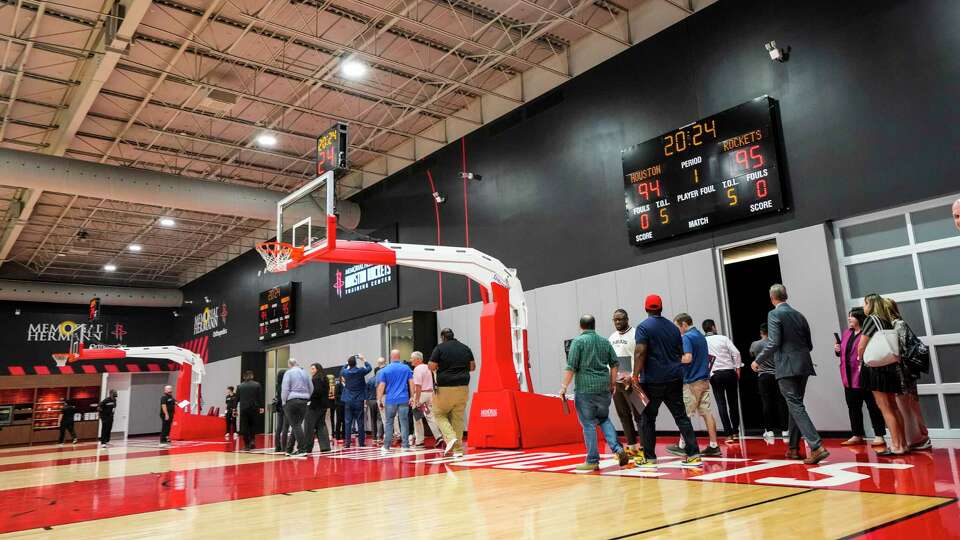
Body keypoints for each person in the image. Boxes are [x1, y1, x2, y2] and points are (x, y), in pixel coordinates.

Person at [755, 284, 829, 464]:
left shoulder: (774, 314)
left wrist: (758, 360)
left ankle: (816, 446)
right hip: (804, 364)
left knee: (795, 405)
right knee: (795, 405)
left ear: (772, 298)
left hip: (786, 367)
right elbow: (809, 345)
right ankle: (793, 448)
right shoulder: (799, 315)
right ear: (786, 295)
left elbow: (773, 342)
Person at [631, 295, 701, 468]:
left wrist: (634, 376)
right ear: (661, 308)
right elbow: (679, 352)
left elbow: (640, 352)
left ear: (646, 308)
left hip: (652, 381)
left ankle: (650, 458)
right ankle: (693, 455)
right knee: (681, 417)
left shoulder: (643, 327)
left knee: (648, 419)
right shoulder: (673, 327)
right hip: (674, 378)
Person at [561, 315, 629, 471]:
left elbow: (571, 367)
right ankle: (618, 449)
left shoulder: (577, 342)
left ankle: (592, 460)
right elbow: (614, 364)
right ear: (594, 325)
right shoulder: (605, 341)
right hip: (604, 388)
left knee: (588, 424)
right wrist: (612, 384)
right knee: (604, 419)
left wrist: (564, 386)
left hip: (585, 390)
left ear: (581, 326)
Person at [858, 293, 907, 456]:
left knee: (885, 408)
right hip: (890, 368)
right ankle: (903, 444)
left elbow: (861, 346)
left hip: (876, 369)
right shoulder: (886, 321)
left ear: (870, 304)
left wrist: (860, 359)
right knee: (894, 407)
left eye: (865, 304)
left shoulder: (871, 320)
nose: (864, 307)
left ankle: (896, 446)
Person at [668, 314, 721, 457]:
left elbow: (688, 358)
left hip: (691, 381)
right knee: (707, 413)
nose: (677, 330)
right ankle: (714, 445)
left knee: (684, 415)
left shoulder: (687, 337)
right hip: (704, 379)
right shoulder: (700, 336)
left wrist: (673, 358)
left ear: (684, 324)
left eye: (677, 327)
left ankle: (682, 445)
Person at [834, 307, 886, 447]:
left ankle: (879, 435)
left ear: (860, 318)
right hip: (848, 377)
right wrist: (837, 350)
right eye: (849, 316)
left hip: (864, 376)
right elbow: (845, 352)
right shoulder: (846, 333)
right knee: (853, 407)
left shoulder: (867, 333)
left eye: (852, 316)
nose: (849, 318)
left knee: (873, 406)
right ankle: (857, 434)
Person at [886, 298, 932, 451]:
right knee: (905, 404)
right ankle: (912, 437)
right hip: (900, 371)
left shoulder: (899, 324)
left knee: (910, 404)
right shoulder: (892, 325)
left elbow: (902, 348)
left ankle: (921, 438)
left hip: (905, 372)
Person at [429, 328, 475, 457]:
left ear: (443, 337)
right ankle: (458, 450)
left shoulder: (440, 348)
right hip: (463, 387)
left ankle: (450, 437)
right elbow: (472, 367)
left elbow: (431, 366)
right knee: (458, 418)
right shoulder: (465, 348)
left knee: (438, 414)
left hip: (445, 387)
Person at [608, 309, 643, 455]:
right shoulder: (611, 337)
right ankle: (632, 446)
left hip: (633, 380)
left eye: (620, 319)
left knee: (639, 415)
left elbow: (640, 356)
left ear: (627, 319)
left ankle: (645, 446)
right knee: (623, 414)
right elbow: (609, 361)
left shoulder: (636, 334)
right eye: (615, 320)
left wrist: (635, 376)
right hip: (618, 382)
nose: (617, 322)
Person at [703, 319, 742, 443]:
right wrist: (738, 368)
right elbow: (736, 353)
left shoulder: (703, 341)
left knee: (721, 403)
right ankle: (736, 432)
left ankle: (728, 434)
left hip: (715, 375)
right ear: (713, 327)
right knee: (733, 403)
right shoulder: (723, 338)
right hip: (729, 372)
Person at [751, 323, 788, 439]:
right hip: (777, 375)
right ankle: (785, 430)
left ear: (761, 332)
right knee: (781, 402)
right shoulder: (775, 343)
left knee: (766, 403)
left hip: (763, 376)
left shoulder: (755, 344)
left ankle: (769, 430)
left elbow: (752, 354)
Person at [376, 353, 415, 454]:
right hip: (403, 399)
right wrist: (412, 396)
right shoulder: (406, 368)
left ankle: (386, 446)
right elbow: (411, 382)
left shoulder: (385, 369)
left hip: (390, 400)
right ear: (399, 357)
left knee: (389, 422)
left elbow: (381, 386)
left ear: (390, 357)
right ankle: (405, 445)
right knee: (404, 422)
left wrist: (379, 400)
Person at [281, 358, 313, 457]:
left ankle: (302, 449)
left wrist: (283, 401)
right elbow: (311, 387)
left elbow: (285, 388)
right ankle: (289, 449)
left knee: (295, 425)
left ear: (289, 365)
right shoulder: (305, 373)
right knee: (297, 425)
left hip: (292, 401)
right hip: (304, 401)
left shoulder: (288, 373)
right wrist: (307, 396)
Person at [340, 354, 372, 448]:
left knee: (348, 422)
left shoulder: (345, 372)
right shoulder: (360, 371)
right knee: (360, 421)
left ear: (349, 364)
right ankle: (361, 443)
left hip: (348, 400)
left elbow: (342, 370)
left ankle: (347, 443)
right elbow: (369, 368)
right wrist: (364, 359)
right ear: (356, 363)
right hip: (359, 399)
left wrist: (346, 363)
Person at [411, 351, 441, 448]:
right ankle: (438, 436)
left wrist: (417, 400)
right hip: (429, 393)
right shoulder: (428, 367)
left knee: (417, 418)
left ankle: (419, 440)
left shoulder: (417, 369)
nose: (411, 360)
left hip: (421, 394)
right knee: (430, 416)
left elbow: (418, 385)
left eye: (412, 358)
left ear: (418, 360)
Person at [305, 362, 332, 453]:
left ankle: (307, 447)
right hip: (323, 406)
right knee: (321, 425)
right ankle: (325, 446)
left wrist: (309, 398)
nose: (311, 371)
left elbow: (316, 392)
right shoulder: (325, 379)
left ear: (317, 369)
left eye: (313, 369)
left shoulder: (315, 379)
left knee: (309, 426)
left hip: (314, 405)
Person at [237, 370, 264, 451]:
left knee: (244, 427)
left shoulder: (240, 386)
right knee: (252, 425)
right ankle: (252, 441)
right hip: (254, 408)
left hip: (244, 409)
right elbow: (259, 397)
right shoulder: (257, 385)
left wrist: (234, 408)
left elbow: (237, 398)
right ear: (252, 376)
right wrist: (261, 407)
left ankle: (246, 444)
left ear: (244, 376)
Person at [273, 368, 291, 454]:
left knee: (279, 427)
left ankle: (277, 446)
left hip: (279, 407)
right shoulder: (286, 385)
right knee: (285, 427)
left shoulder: (277, 385)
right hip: (285, 406)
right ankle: (284, 447)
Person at [366, 363, 382, 444]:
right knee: (380, 419)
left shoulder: (370, 380)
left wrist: (367, 400)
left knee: (373, 419)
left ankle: (374, 437)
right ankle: (379, 436)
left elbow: (366, 391)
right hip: (379, 400)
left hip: (371, 401)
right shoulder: (381, 380)